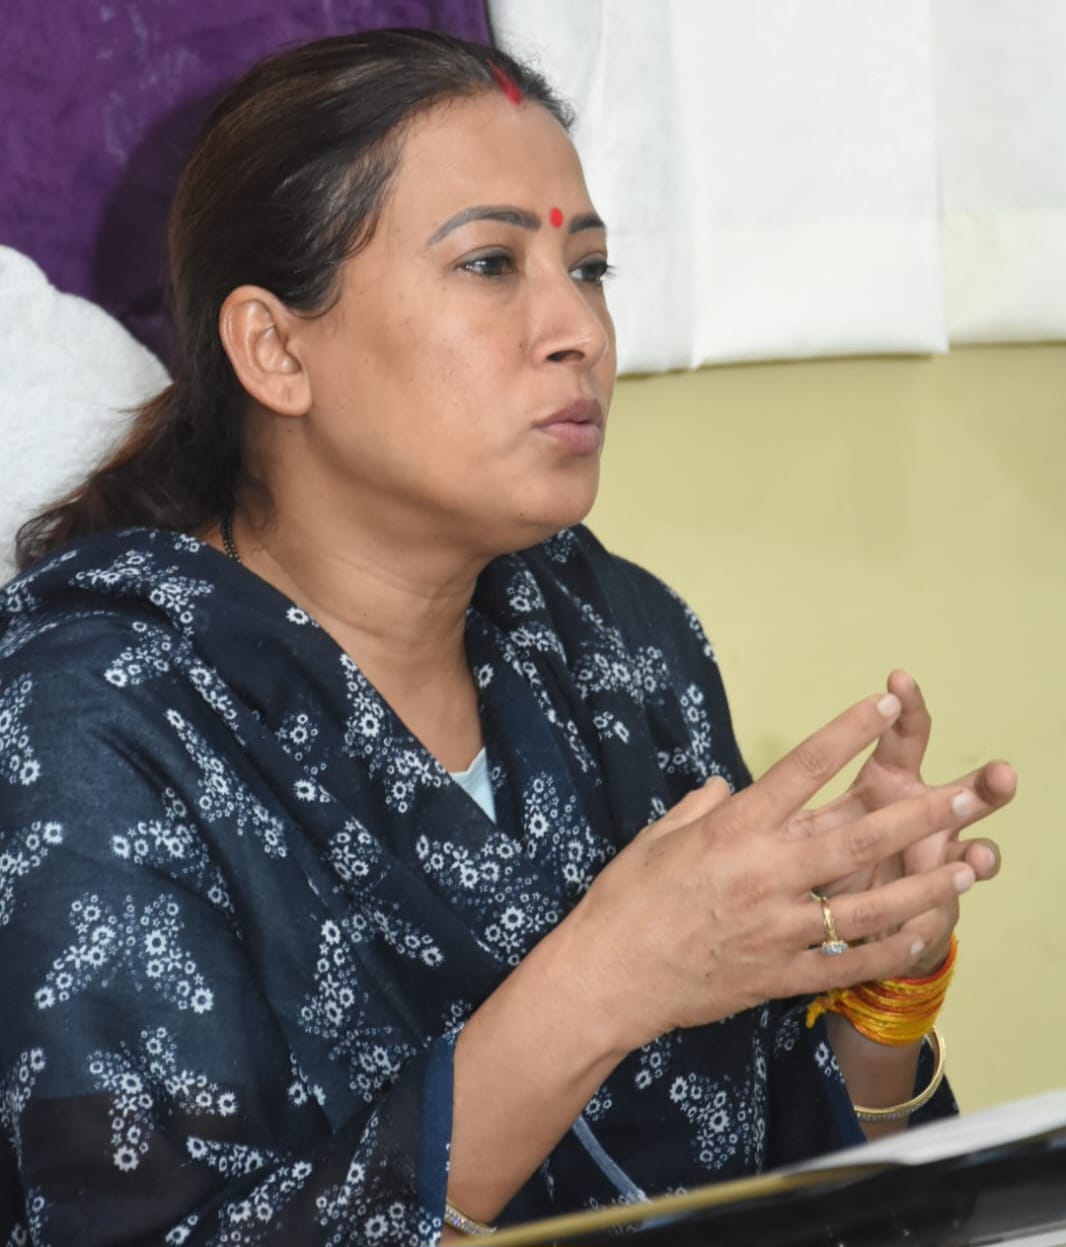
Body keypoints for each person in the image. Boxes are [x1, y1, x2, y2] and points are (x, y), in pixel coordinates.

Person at [0, 29, 1014, 1246]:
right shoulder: (88, 724)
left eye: (590, 268)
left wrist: (871, 982)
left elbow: (782, 1187)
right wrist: (609, 977)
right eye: (489, 262)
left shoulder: (617, 642)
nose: (577, 328)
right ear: (275, 348)